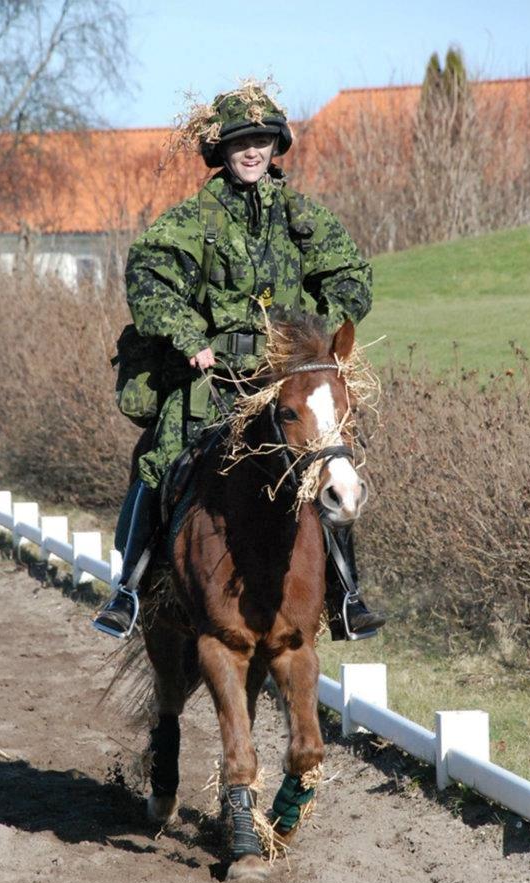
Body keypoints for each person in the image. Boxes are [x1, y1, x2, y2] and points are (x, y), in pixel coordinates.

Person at [93, 81, 385, 642]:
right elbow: (147, 275)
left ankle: (347, 595)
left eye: (261, 141)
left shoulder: (302, 216)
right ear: (220, 152)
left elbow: (353, 275)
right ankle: (127, 590)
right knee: (162, 462)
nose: (252, 152)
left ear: (276, 147)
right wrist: (186, 334)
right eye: (239, 143)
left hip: (286, 383)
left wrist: (320, 334)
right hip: (213, 379)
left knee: (331, 462)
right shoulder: (192, 220)